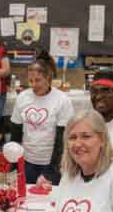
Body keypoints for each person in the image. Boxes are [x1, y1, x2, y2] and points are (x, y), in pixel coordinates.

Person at [10, 52, 73, 184]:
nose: (33, 85)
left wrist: (51, 170)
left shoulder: (62, 100)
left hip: (51, 162)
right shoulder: (22, 98)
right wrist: (14, 162)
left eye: (38, 80)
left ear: (48, 78)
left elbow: (63, 139)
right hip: (27, 160)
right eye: (30, 80)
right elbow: (15, 133)